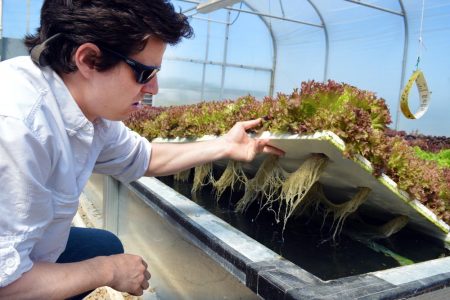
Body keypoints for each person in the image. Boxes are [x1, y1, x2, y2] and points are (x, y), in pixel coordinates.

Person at [0, 0, 284, 299]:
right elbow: (6, 285)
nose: (154, 88)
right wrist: (107, 270)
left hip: (32, 252)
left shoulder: (89, 110)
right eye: (145, 73)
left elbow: (144, 157)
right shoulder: (17, 129)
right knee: (104, 257)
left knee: (103, 245)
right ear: (88, 59)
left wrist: (225, 145)